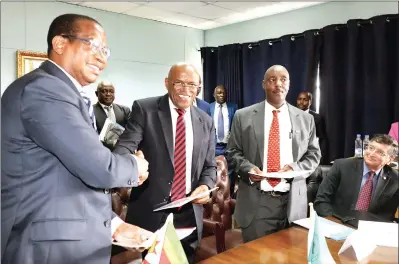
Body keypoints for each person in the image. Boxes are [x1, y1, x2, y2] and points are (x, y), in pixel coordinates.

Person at [1, 14, 151, 264]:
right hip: (47, 249)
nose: (102, 58)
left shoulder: (66, 93)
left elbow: (68, 175)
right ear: (60, 44)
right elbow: (99, 167)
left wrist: (113, 225)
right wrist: (136, 166)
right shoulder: (45, 90)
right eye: (93, 45)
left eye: (106, 51)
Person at [113, 63, 217, 263]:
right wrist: (134, 163)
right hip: (150, 212)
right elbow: (122, 149)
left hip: (189, 213)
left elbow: (210, 165)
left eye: (192, 85)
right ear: (167, 83)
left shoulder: (205, 120)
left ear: (198, 88)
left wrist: (205, 185)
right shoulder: (145, 109)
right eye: (179, 83)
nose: (186, 90)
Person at [226, 65, 321, 242]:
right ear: (263, 84)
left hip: (293, 204)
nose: (278, 84)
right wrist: (248, 169)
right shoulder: (243, 116)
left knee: (291, 258)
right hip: (257, 202)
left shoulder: (306, 119)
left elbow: (314, 155)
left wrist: (295, 168)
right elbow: (232, 151)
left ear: (289, 84)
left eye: (283, 79)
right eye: (272, 80)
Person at [314, 134, 399, 221]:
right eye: (371, 148)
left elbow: (387, 215)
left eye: (380, 152)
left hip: (370, 228)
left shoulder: (395, 179)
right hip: (337, 221)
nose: (372, 154)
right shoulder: (341, 166)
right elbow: (321, 201)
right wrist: (334, 222)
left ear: (390, 160)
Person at [209, 85, 238, 195]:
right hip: (214, 146)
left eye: (224, 93)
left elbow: (236, 125)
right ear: (214, 95)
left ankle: (228, 196)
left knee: (229, 172)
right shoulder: (209, 107)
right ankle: (215, 197)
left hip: (228, 146)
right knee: (213, 171)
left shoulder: (233, 107)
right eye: (219, 93)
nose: (222, 95)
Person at [297, 91, 329, 164]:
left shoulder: (317, 118)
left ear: (310, 102)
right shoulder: (291, 115)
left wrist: (320, 158)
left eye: (305, 100)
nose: (301, 102)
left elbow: (322, 139)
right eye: (299, 99)